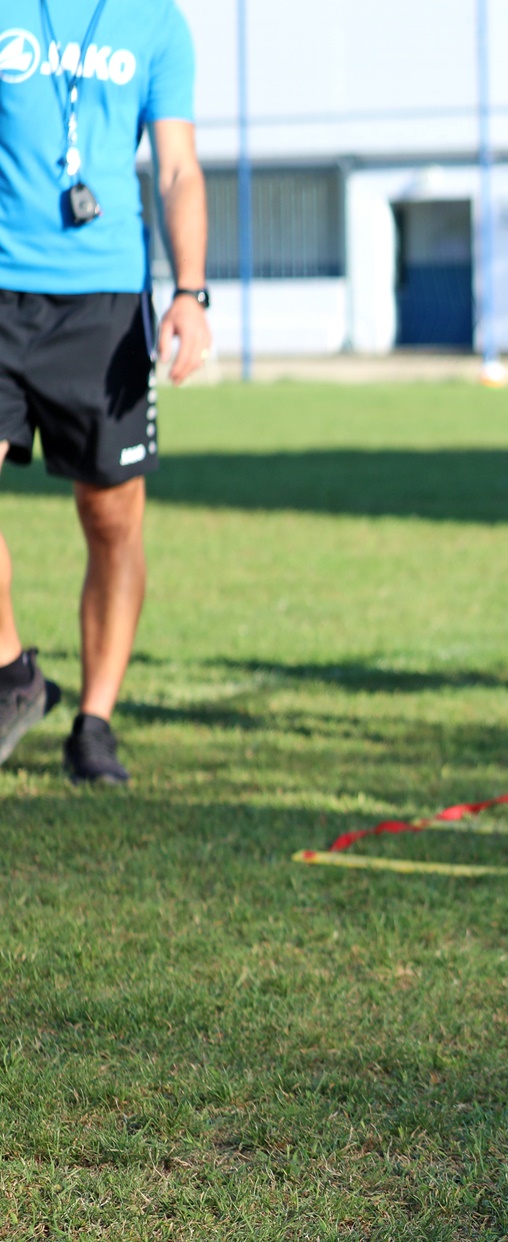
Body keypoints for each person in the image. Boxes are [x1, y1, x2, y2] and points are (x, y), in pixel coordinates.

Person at [0, 0, 211, 783]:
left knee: (111, 516)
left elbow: (179, 166)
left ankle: (94, 723)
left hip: (105, 306)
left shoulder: (156, 21)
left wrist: (191, 292)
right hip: (0, 293)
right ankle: (16, 674)